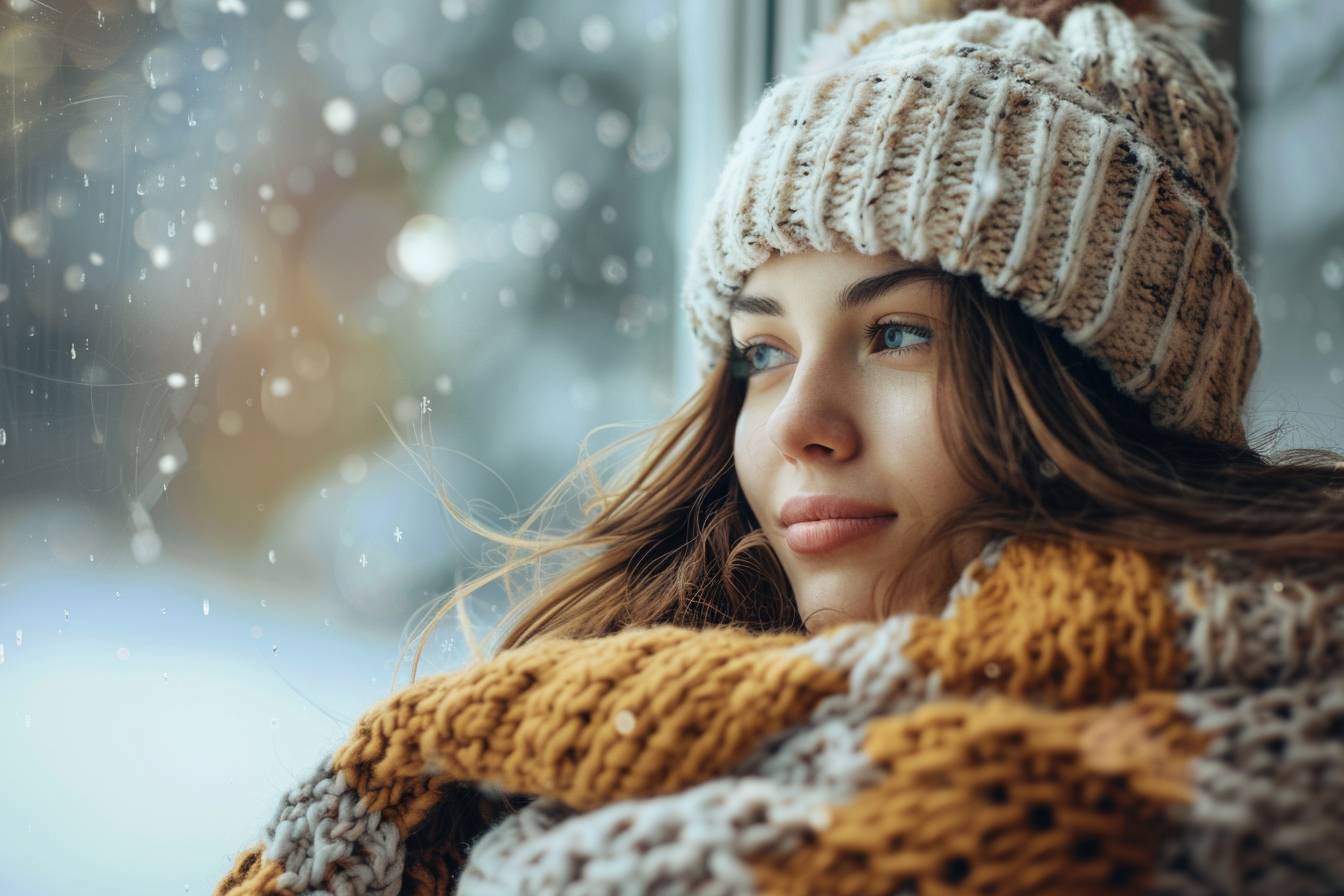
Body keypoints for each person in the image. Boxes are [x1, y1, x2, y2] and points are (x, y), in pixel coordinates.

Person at [217, 1, 1344, 894]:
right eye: (761, 353)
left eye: (897, 333)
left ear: (1098, 386)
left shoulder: (1275, 773)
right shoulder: (542, 757)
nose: (804, 422)